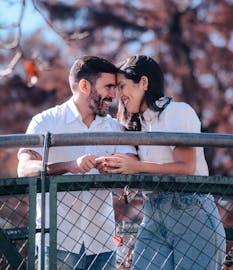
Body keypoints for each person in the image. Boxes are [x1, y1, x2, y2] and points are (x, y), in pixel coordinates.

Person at [99, 55, 226, 270]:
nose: (120, 95)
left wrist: (137, 167)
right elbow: (136, 167)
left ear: (144, 83)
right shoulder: (138, 126)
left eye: (122, 86)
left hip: (191, 213)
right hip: (153, 212)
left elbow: (187, 168)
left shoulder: (177, 112)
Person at [17, 56, 137, 270]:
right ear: (84, 86)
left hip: (102, 242)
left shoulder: (114, 127)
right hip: (57, 240)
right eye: (108, 87)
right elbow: (24, 168)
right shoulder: (45, 121)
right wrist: (68, 166)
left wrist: (112, 164)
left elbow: (131, 159)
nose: (113, 94)